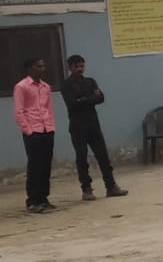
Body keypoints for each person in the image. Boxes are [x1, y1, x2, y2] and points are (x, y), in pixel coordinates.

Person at [62, 54, 128, 202]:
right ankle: (86, 189)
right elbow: (72, 104)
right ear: (70, 67)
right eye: (76, 66)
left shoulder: (90, 81)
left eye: (82, 66)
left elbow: (101, 98)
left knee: (103, 156)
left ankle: (111, 186)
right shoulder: (66, 85)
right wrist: (91, 98)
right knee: (82, 158)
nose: (80, 69)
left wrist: (84, 99)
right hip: (78, 126)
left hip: (93, 124)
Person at [13, 57, 56, 214]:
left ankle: (43, 198)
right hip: (33, 131)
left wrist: (51, 127)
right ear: (30, 69)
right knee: (35, 166)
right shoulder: (21, 87)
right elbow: (19, 111)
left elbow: (48, 109)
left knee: (46, 165)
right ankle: (33, 201)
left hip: (47, 130)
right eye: (39, 66)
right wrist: (28, 131)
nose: (42, 69)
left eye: (43, 66)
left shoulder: (46, 87)